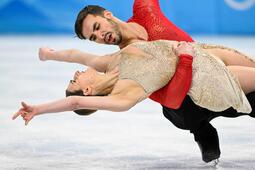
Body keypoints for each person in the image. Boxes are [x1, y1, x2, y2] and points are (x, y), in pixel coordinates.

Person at [38, 2, 255, 162]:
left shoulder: (145, 11)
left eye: (97, 28)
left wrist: (48, 54)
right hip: (193, 97)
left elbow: (75, 55)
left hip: (210, 62)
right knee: (173, 107)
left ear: (108, 15)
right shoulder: (121, 65)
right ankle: (203, 132)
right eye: (94, 38)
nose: (100, 36)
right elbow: (77, 97)